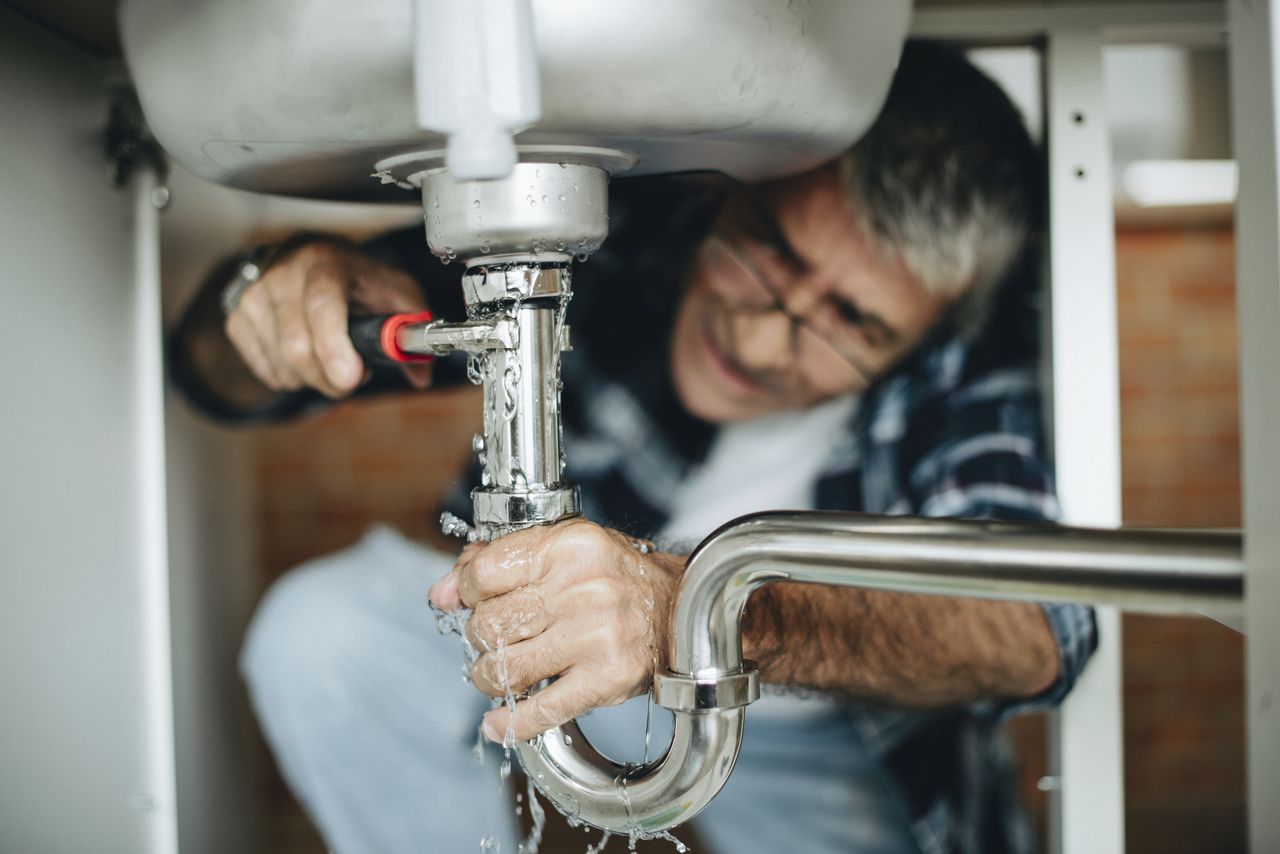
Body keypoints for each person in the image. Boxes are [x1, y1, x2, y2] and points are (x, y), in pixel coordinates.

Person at [172, 43, 1095, 854]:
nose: (763, 340)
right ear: (740, 187)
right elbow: (215, 376)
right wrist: (274, 294)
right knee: (324, 637)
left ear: (923, 338)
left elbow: (1030, 631)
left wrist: (699, 612)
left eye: (850, 323)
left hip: (827, 710)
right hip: (559, 635)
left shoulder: (977, 348)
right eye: (768, 251)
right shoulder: (633, 227)